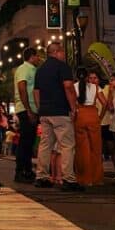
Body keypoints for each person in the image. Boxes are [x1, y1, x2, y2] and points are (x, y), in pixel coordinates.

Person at [33, 42, 82, 191]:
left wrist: (40, 107)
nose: (64, 55)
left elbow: (36, 92)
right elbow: (68, 86)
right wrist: (73, 108)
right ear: (57, 52)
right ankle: (69, 179)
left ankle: (41, 176)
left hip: (45, 112)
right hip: (60, 111)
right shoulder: (63, 67)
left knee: (45, 145)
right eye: (62, 52)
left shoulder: (40, 70)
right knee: (67, 145)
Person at [73, 68, 107, 186]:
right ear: (87, 77)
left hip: (80, 116)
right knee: (96, 148)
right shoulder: (95, 87)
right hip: (93, 116)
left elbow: (72, 105)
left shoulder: (74, 87)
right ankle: (96, 178)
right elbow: (105, 103)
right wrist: (100, 117)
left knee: (82, 149)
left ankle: (84, 179)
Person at [13, 47, 40, 183]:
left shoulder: (32, 69)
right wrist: (28, 109)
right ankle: (20, 171)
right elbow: (22, 87)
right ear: (32, 56)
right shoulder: (24, 68)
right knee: (25, 141)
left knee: (29, 141)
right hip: (25, 109)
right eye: (37, 56)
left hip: (31, 109)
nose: (39, 59)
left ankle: (27, 170)